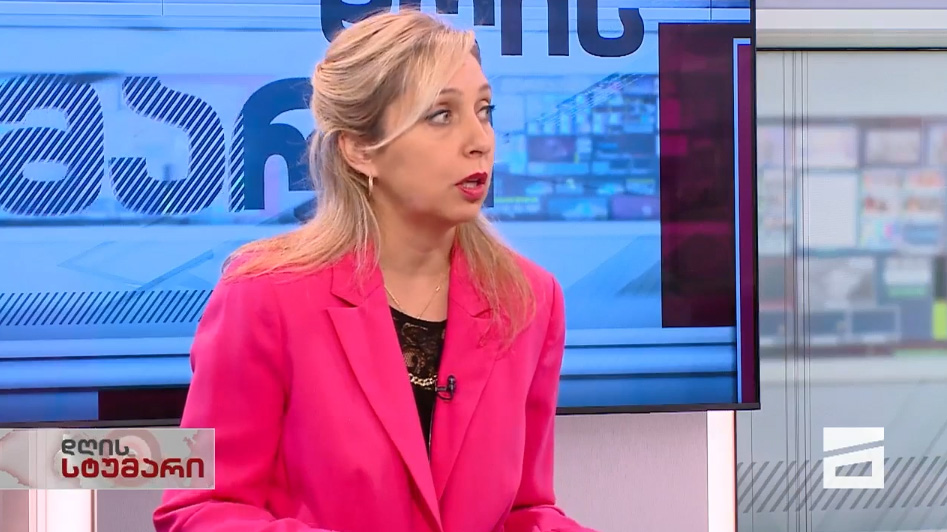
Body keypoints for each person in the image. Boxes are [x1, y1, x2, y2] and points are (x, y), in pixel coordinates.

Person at [153, 9, 597, 532]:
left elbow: (526, 510)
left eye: (484, 110)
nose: (479, 139)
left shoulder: (528, 298)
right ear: (360, 149)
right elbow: (199, 508)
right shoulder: (263, 293)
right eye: (441, 115)